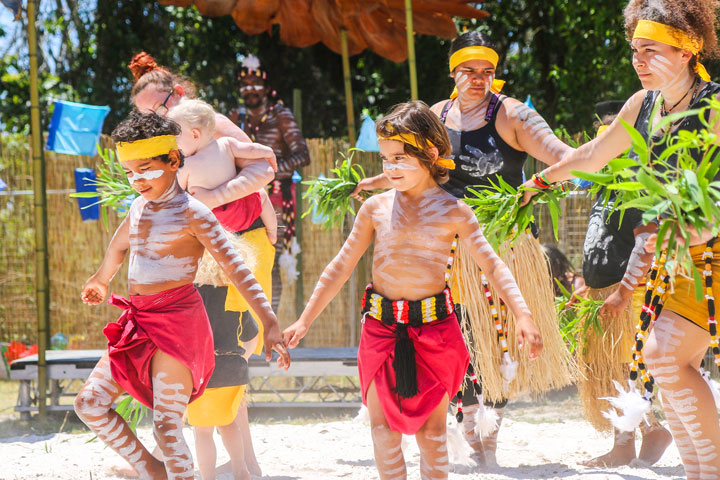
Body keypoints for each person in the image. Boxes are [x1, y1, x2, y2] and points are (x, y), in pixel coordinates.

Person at [283, 101, 542, 479]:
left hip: (435, 334)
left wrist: (523, 313)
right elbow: (339, 267)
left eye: (400, 157)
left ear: (431, 154)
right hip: (381, 330)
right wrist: (304, 321)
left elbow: (493, 264)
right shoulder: (374, 208)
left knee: (433, 432)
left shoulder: (455, 211)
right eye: (386, 158)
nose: (390, 167)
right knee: (382, 431)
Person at [352, 31, 575, 467]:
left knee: (494, 344)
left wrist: (540, 182)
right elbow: (420, 164)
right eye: (469, 71)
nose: (479, 80)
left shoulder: (515, 116)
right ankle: (469, 429)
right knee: (456, 342)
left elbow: (563, 156)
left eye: (488, 72)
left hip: (497, 247)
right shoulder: (437, 114)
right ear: (452, 72)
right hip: (441, 249)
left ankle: (487, 441)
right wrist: (378, 180)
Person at [521, 1, 720, 476]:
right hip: (669, 258)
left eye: (650, 50)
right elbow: (594, 153)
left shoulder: (715, 105)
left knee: (662, 355)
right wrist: (544, 179)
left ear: (689, 48)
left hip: (708, 253)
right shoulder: (643, 104)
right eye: (634, 50)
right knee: (666, 365)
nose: (638, 60)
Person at [73, 110, 290, 480]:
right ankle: (154, 471)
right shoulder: (139, 207)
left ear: (173, 160)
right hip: (138, 321)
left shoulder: (195, 213)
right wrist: (100, 278)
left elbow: (238, 270)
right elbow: (119, 245)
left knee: (167, 426)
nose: (136, 180)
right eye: (129, 172)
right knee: (89, 403)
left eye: (144, 169)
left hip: (178, 324)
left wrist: (269, 320)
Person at [129, 52, 273, 477]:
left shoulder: (211, 127)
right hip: (201, 249)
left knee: (233, 347)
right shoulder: (169, 141)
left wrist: (210, 200)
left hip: (241, 243)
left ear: (177, 93)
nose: (157, 117)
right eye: (148, 114)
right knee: (216, 351)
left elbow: (265, 168)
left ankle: (245, 462)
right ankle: (244, 460)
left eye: (159, 107)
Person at [231, 55, 310, 312]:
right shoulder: (234, 117)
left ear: (265, 87)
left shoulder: (281, 116)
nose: (250, 90)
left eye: (255, 84)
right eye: (245, 84)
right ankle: (245, 323)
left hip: (275, 196)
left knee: (271, 257)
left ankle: (270, 319)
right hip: (239, 196)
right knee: (239, 255)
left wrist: (268, 173)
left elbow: (302, 155)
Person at [169, 98, 277, 244]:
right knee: (262, 194)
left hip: (217, 219)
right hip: (242, 208)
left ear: (195, 135)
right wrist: (269, 152)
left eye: (176, 139)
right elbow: (252, 149)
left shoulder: (187, 164)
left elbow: (175, 191)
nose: (175, 145)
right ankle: (273, 232)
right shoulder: (227, 144)